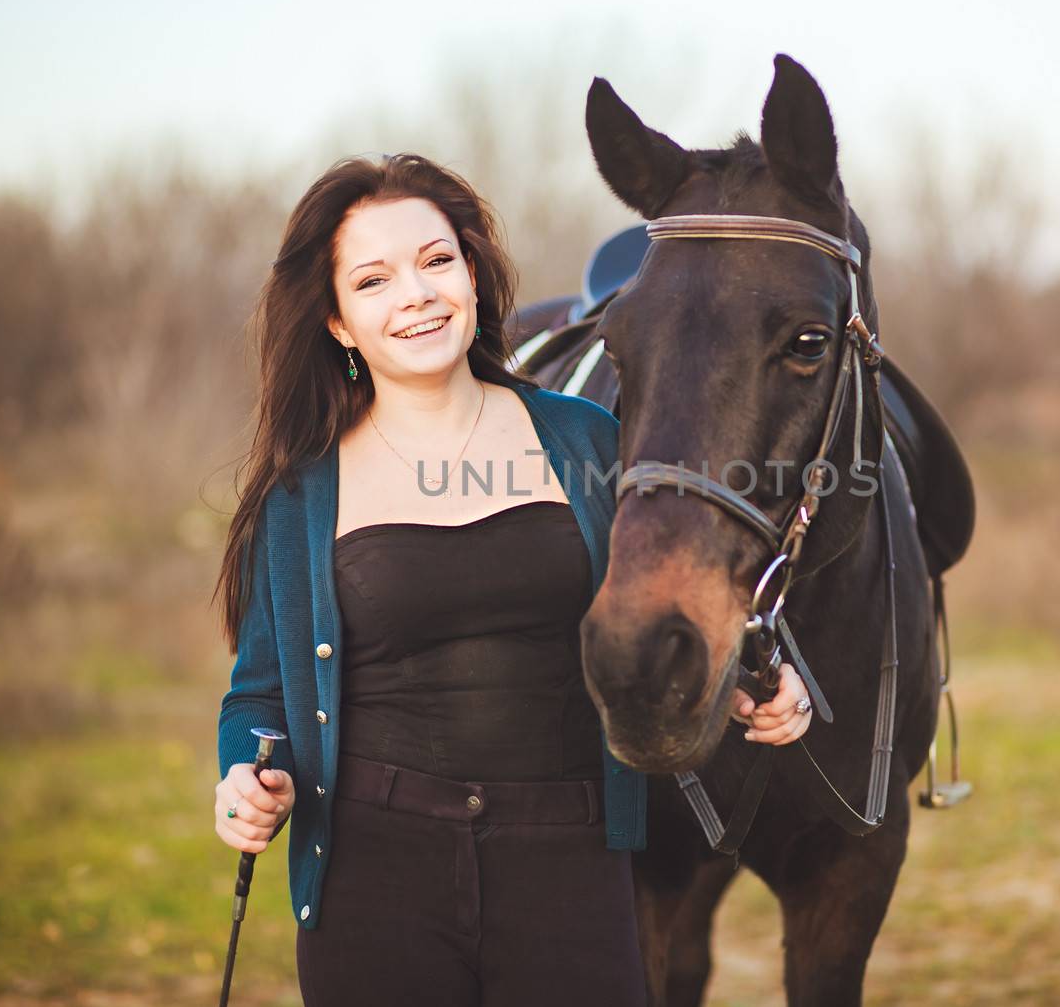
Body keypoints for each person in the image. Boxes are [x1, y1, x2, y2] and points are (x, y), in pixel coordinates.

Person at [210, 152, 813, 1006]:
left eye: (435, 260)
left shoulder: (590, 441)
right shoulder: (302, 491)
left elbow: (680, 593)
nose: (416, 294)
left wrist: (753, 674)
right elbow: (258, 696)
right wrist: (244, 776)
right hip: (373, 877)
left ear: (472, 276)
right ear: (340, 322)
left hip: (573, 864)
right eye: (374, 279)